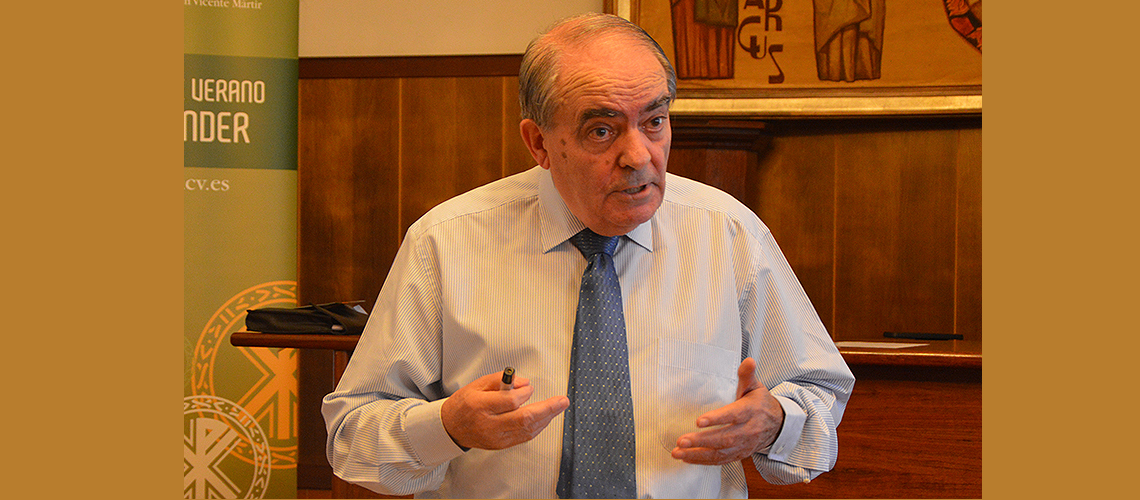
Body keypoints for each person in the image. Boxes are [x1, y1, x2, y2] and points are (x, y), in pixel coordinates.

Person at [322, 12, 855, 499]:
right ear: (538, 143)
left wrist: (775, 422)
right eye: (602, 130)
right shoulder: (446, 243)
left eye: (654, 121)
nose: (639, 155)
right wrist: (447, 428)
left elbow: (820, 395)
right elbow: (352, 434)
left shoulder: (730, 234)